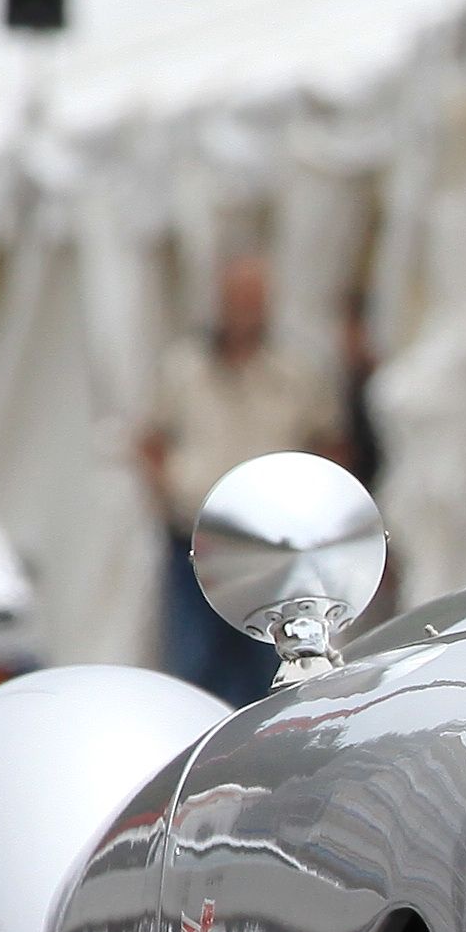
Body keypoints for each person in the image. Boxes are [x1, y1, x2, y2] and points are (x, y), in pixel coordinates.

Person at [138, 250, 345, 704]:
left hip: (272, 547)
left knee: (269, 664)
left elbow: (328, 442)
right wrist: (169, 494)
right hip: (198, 540)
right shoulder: (183, 368)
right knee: (196, 667)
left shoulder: (296, 370)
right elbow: (150, 439)